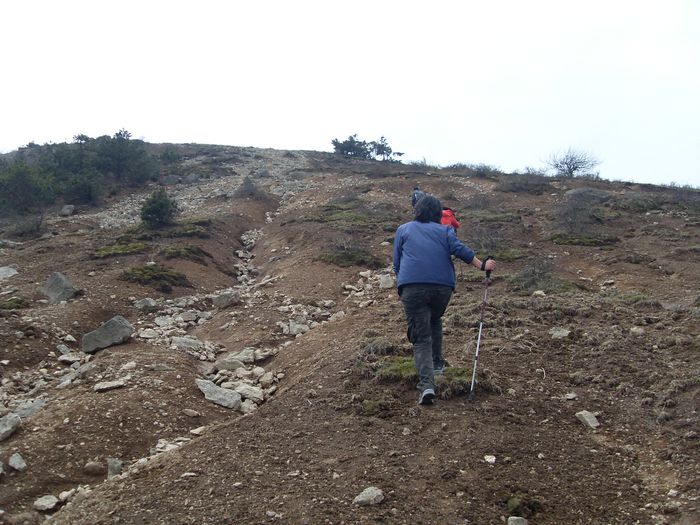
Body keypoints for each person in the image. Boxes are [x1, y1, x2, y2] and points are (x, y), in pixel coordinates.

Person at [393, 195, 496, 405]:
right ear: (438, 213)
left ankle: (427, 385)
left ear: (418, 210)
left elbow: (397, 262)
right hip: (442, 288)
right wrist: (482, 266)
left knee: (421, 337)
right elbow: (460, 250)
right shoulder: (445, 230)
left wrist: (404, 281)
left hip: (412, 286)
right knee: (435, 319)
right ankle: (438, 364)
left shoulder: (404, 229)